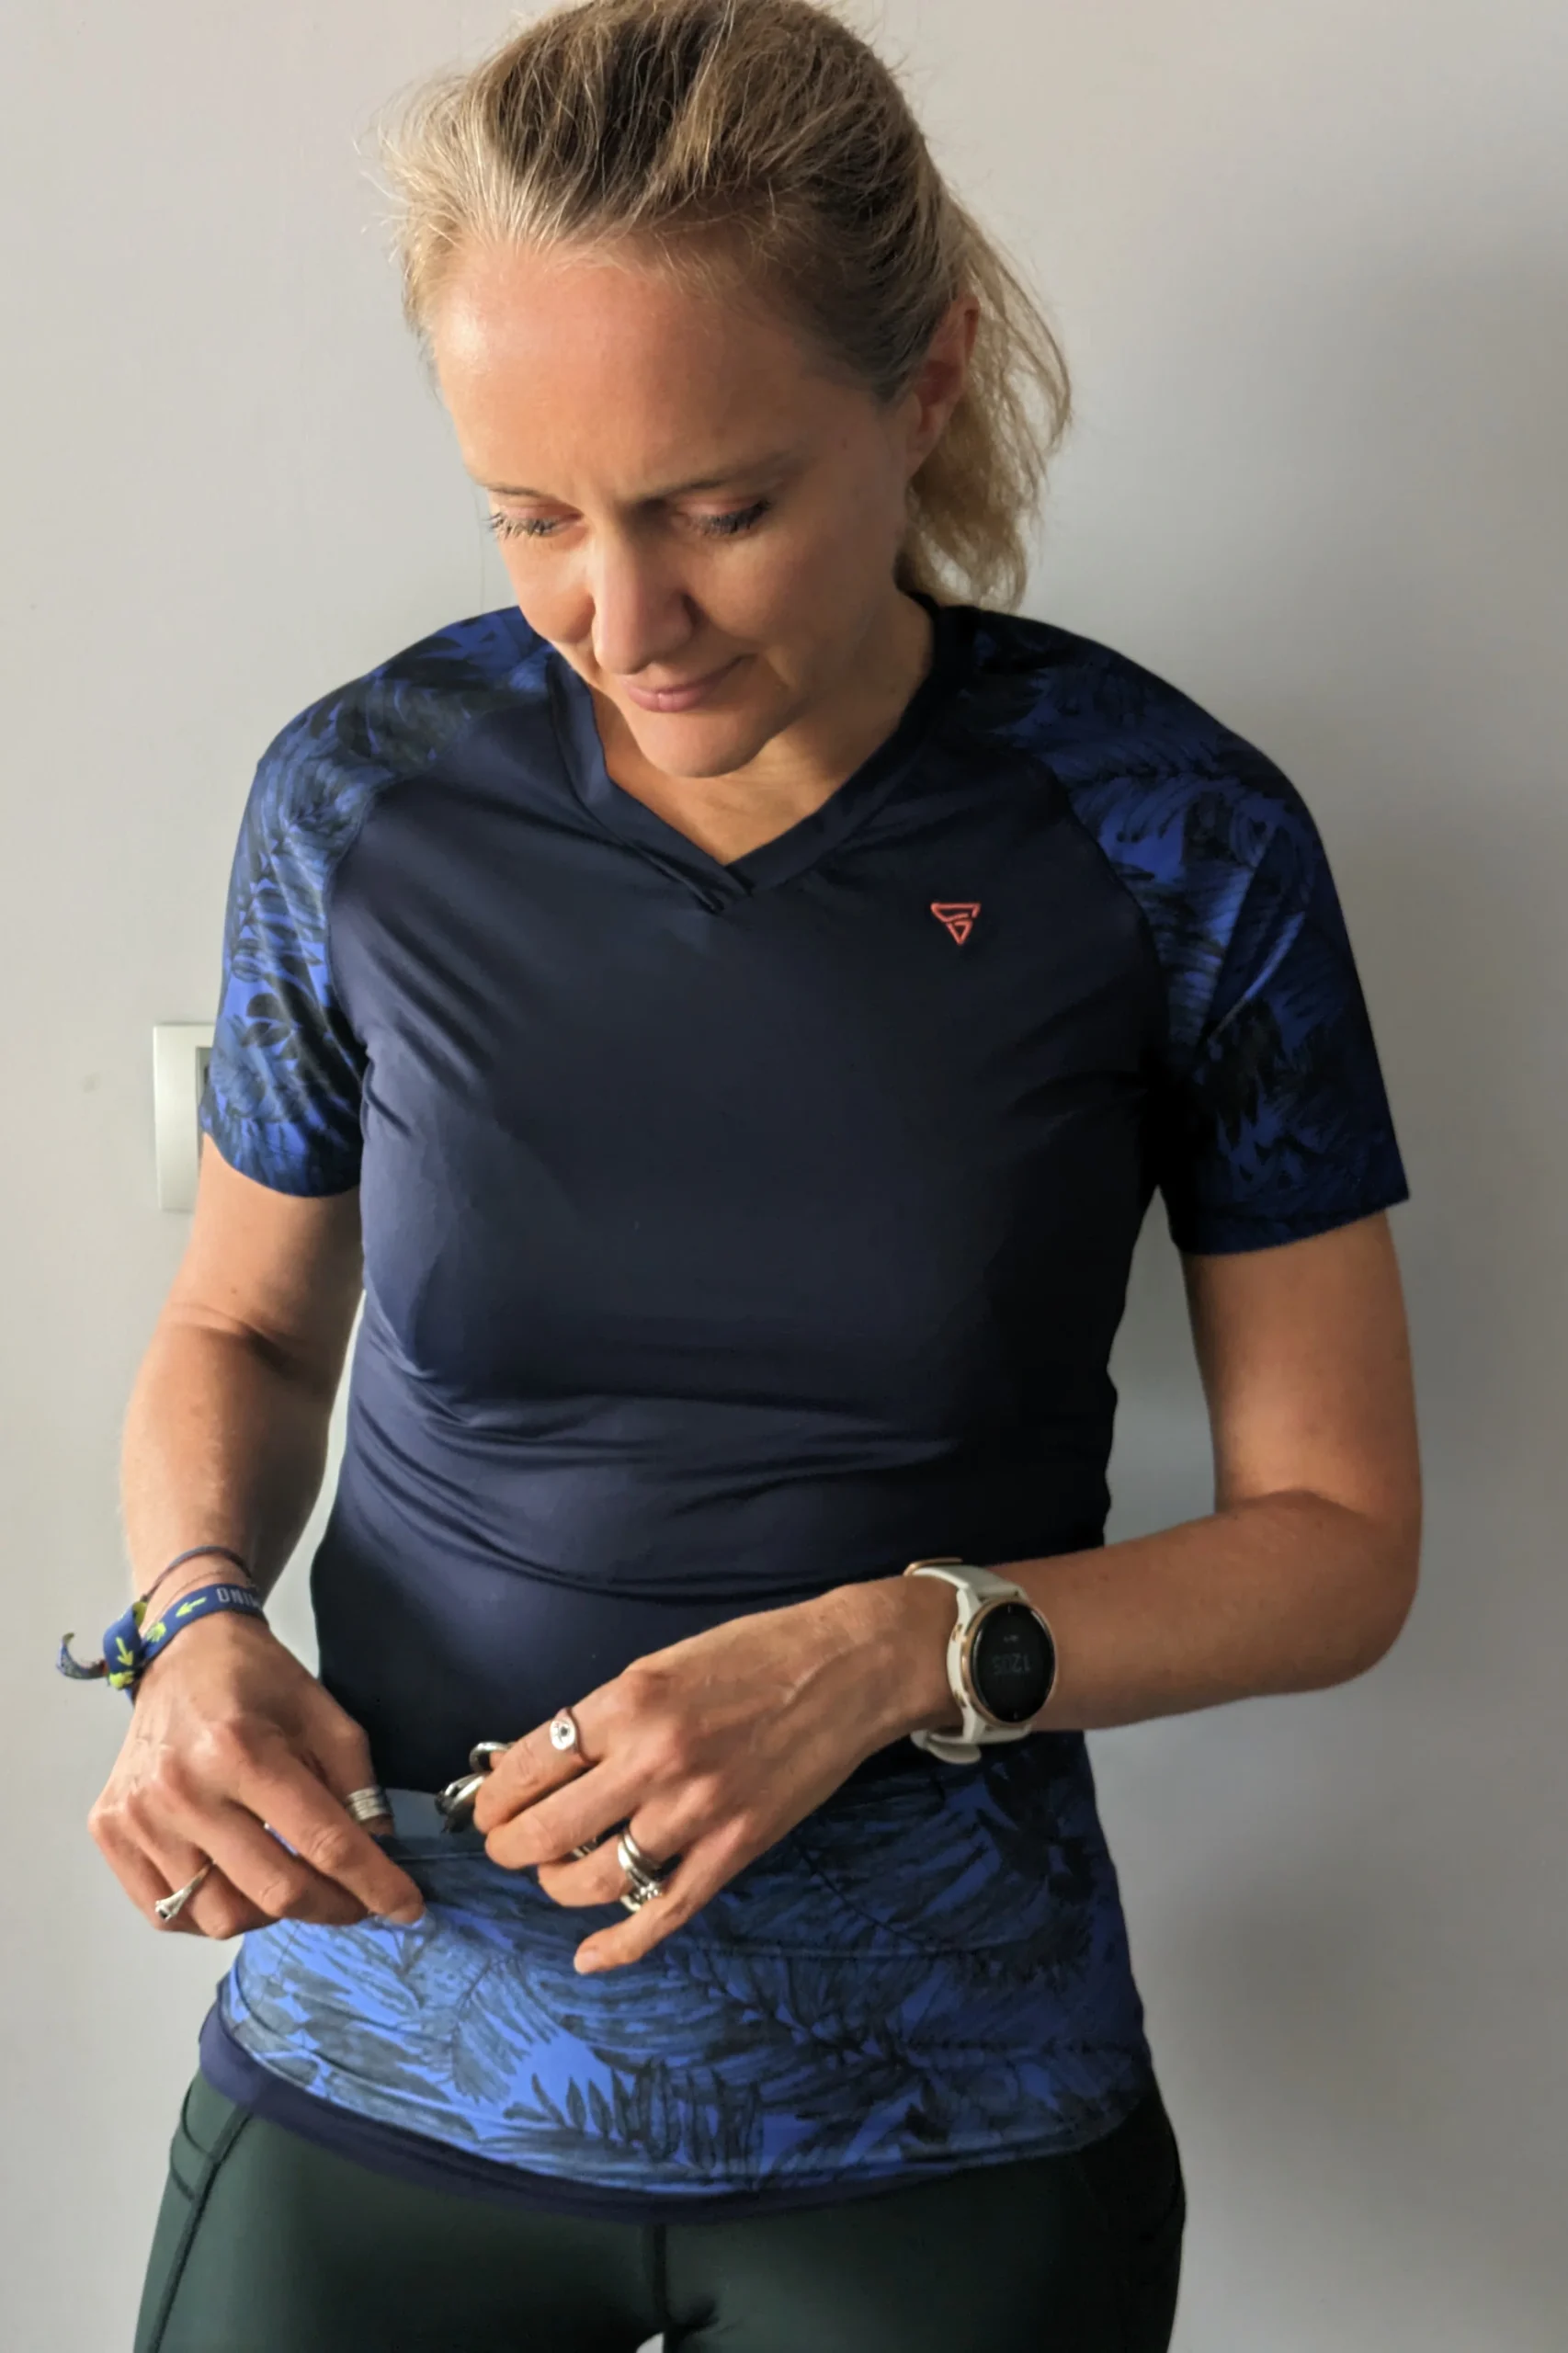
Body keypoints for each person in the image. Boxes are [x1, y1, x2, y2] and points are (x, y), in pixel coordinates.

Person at [84, 4, 1421, 2347]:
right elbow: (245, 1321)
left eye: (717, 508)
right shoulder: (362, 799)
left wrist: (906, 1643)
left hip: (947, 2117)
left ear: (924, 386)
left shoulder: (1169, 837)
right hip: (380, 2054)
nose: (622, 623)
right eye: (531, 517)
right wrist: (192, 1624)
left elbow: (1336, 1541)